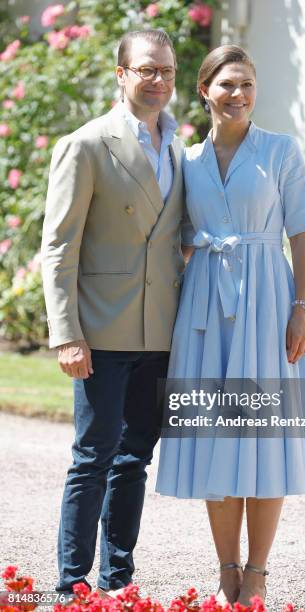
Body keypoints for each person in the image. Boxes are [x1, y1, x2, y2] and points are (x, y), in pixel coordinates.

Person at [156, 45, 305, 606]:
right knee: (216, 437)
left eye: (248, 84)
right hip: (207, 309)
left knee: (266, 435)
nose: (239, 94)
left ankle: (257, 570)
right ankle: (226, 566)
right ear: (205, 90)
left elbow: (301, 235)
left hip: (269, 306)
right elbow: (177, 239)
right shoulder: (186, 160)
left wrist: (302, 310)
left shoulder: (280, 151)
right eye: (227, 84)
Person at [41, 29, 186, 596]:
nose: (158, 81)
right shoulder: (85, 144)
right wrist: (65, 334)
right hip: (99, 330)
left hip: (159, 333)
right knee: (92, 459)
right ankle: (71, 586)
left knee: (133, 463)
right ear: (121, 74)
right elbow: (59, 246)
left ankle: (117, 583)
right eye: (147, 70)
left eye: (167, 71)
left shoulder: (177, 147)